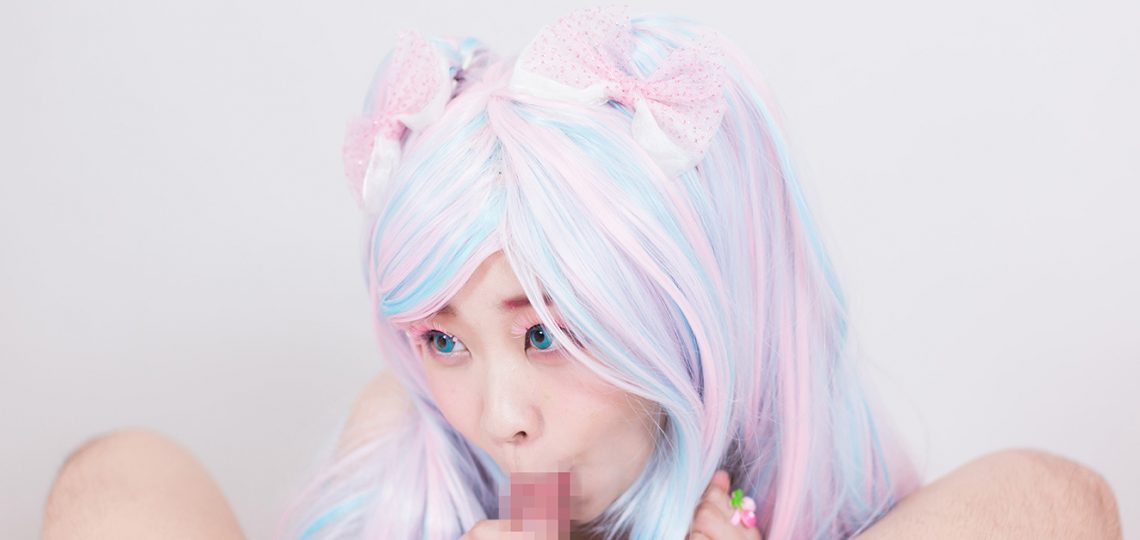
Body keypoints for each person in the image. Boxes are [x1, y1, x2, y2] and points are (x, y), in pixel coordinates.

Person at [41, 6, 1123, 540]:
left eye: (546, 334)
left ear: (690, 315)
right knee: (118, 475)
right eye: (444, 341)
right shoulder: (407, 440)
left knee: (1047, 501)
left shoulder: (794, 479)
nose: (497, 416)